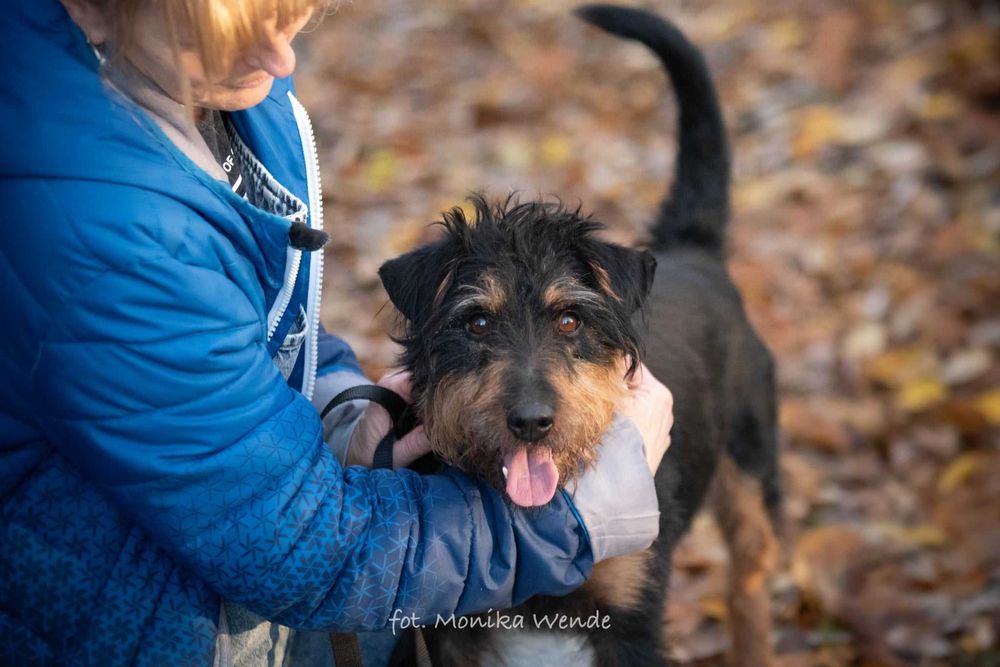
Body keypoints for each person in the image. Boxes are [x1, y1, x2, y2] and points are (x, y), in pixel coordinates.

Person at [0, 0, 675, 665]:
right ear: (91, 9)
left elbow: (240, 316)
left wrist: (335, 409)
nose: (281, 59)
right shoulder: (98, 224)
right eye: (223, 36)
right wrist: (587, 510)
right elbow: (295, 546)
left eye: (288, 17)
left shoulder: (214, 93)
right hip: (148, 623)